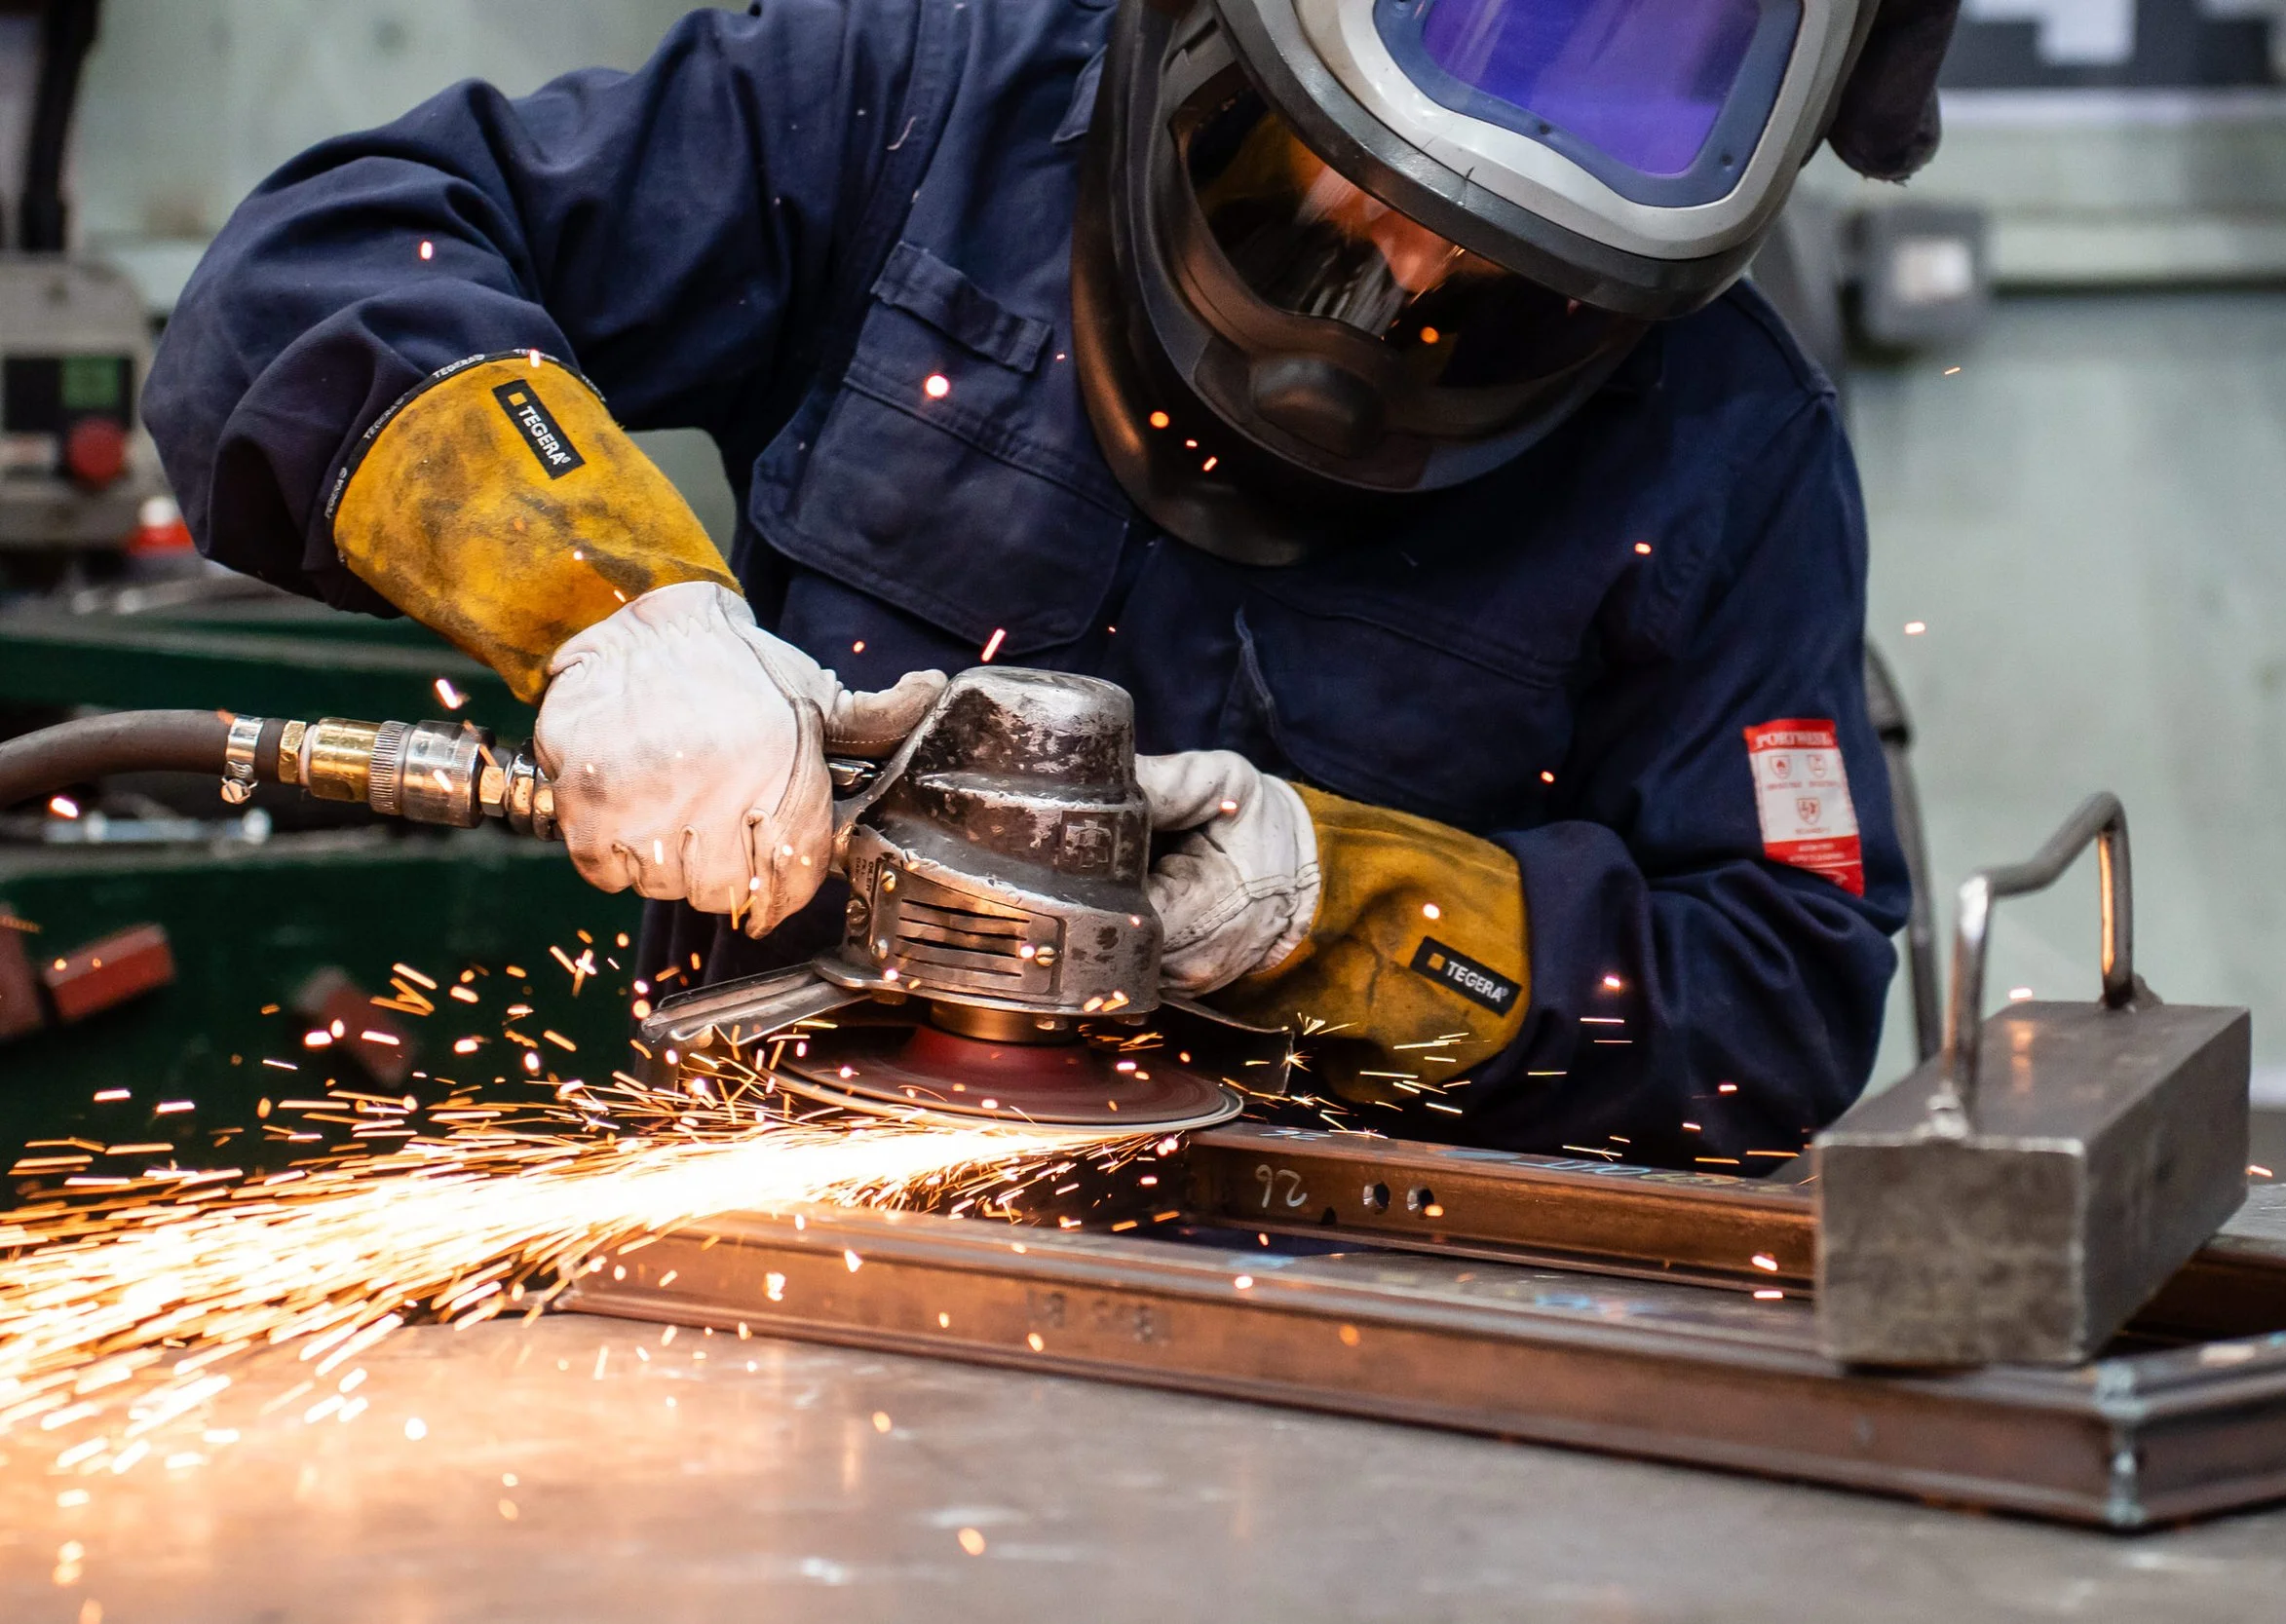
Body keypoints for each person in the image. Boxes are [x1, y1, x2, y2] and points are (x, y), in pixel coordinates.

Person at [143, 0, 1962, 1165]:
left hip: (1348, 1320)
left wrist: (1340, 912)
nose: (1396, 280)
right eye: (1335, 189)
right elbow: (318, 271)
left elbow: (1777, 994)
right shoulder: (926, 105)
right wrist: (613, 606)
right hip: (754, 1196)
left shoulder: (1725, 447)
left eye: (1496, 284)